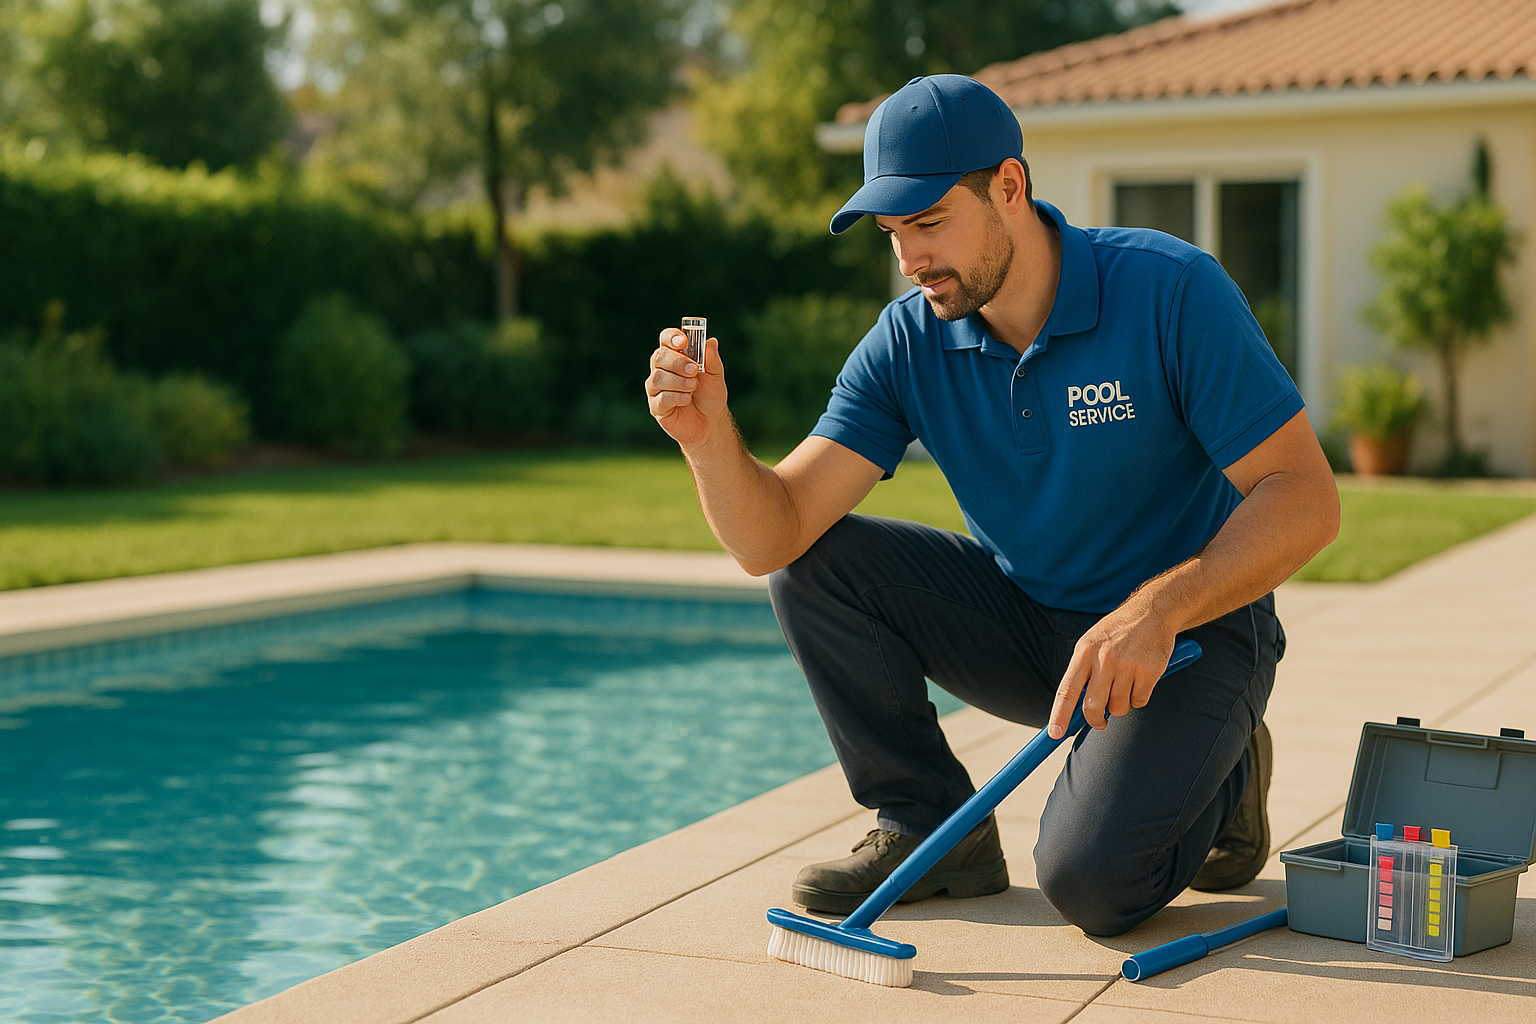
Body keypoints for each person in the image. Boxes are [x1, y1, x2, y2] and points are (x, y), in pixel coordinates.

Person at [644, 74, 1339, 936]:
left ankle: (1225, 771)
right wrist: (707, 439)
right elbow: (770, 535)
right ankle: (931, 829)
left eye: (929, 224)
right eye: (894, 233)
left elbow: (1305, 497)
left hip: (1187, 638)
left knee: (1090, 885)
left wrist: (1161, 608)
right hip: (1033, 625)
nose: (910, 260)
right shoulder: (907, 341)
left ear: (1009, 186)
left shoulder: (1170, 291)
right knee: (812, 565)